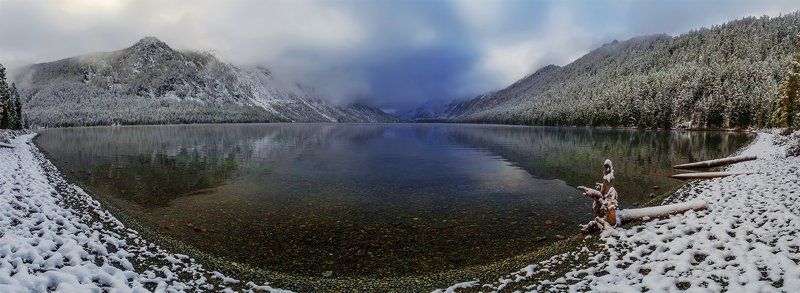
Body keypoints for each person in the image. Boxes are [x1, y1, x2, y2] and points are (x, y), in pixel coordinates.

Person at [577, 159, 618, 234]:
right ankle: (599, 215)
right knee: (599, 200)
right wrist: (601, 186)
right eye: (605, 167)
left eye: (607, 167)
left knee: (604, 205)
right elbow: (604, 187)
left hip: (608, 212)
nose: (606, 169)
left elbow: (609, 185)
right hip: (604, 200)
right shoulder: (606, 177)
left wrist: (607, 199)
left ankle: (604, 219)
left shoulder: (610, 178)